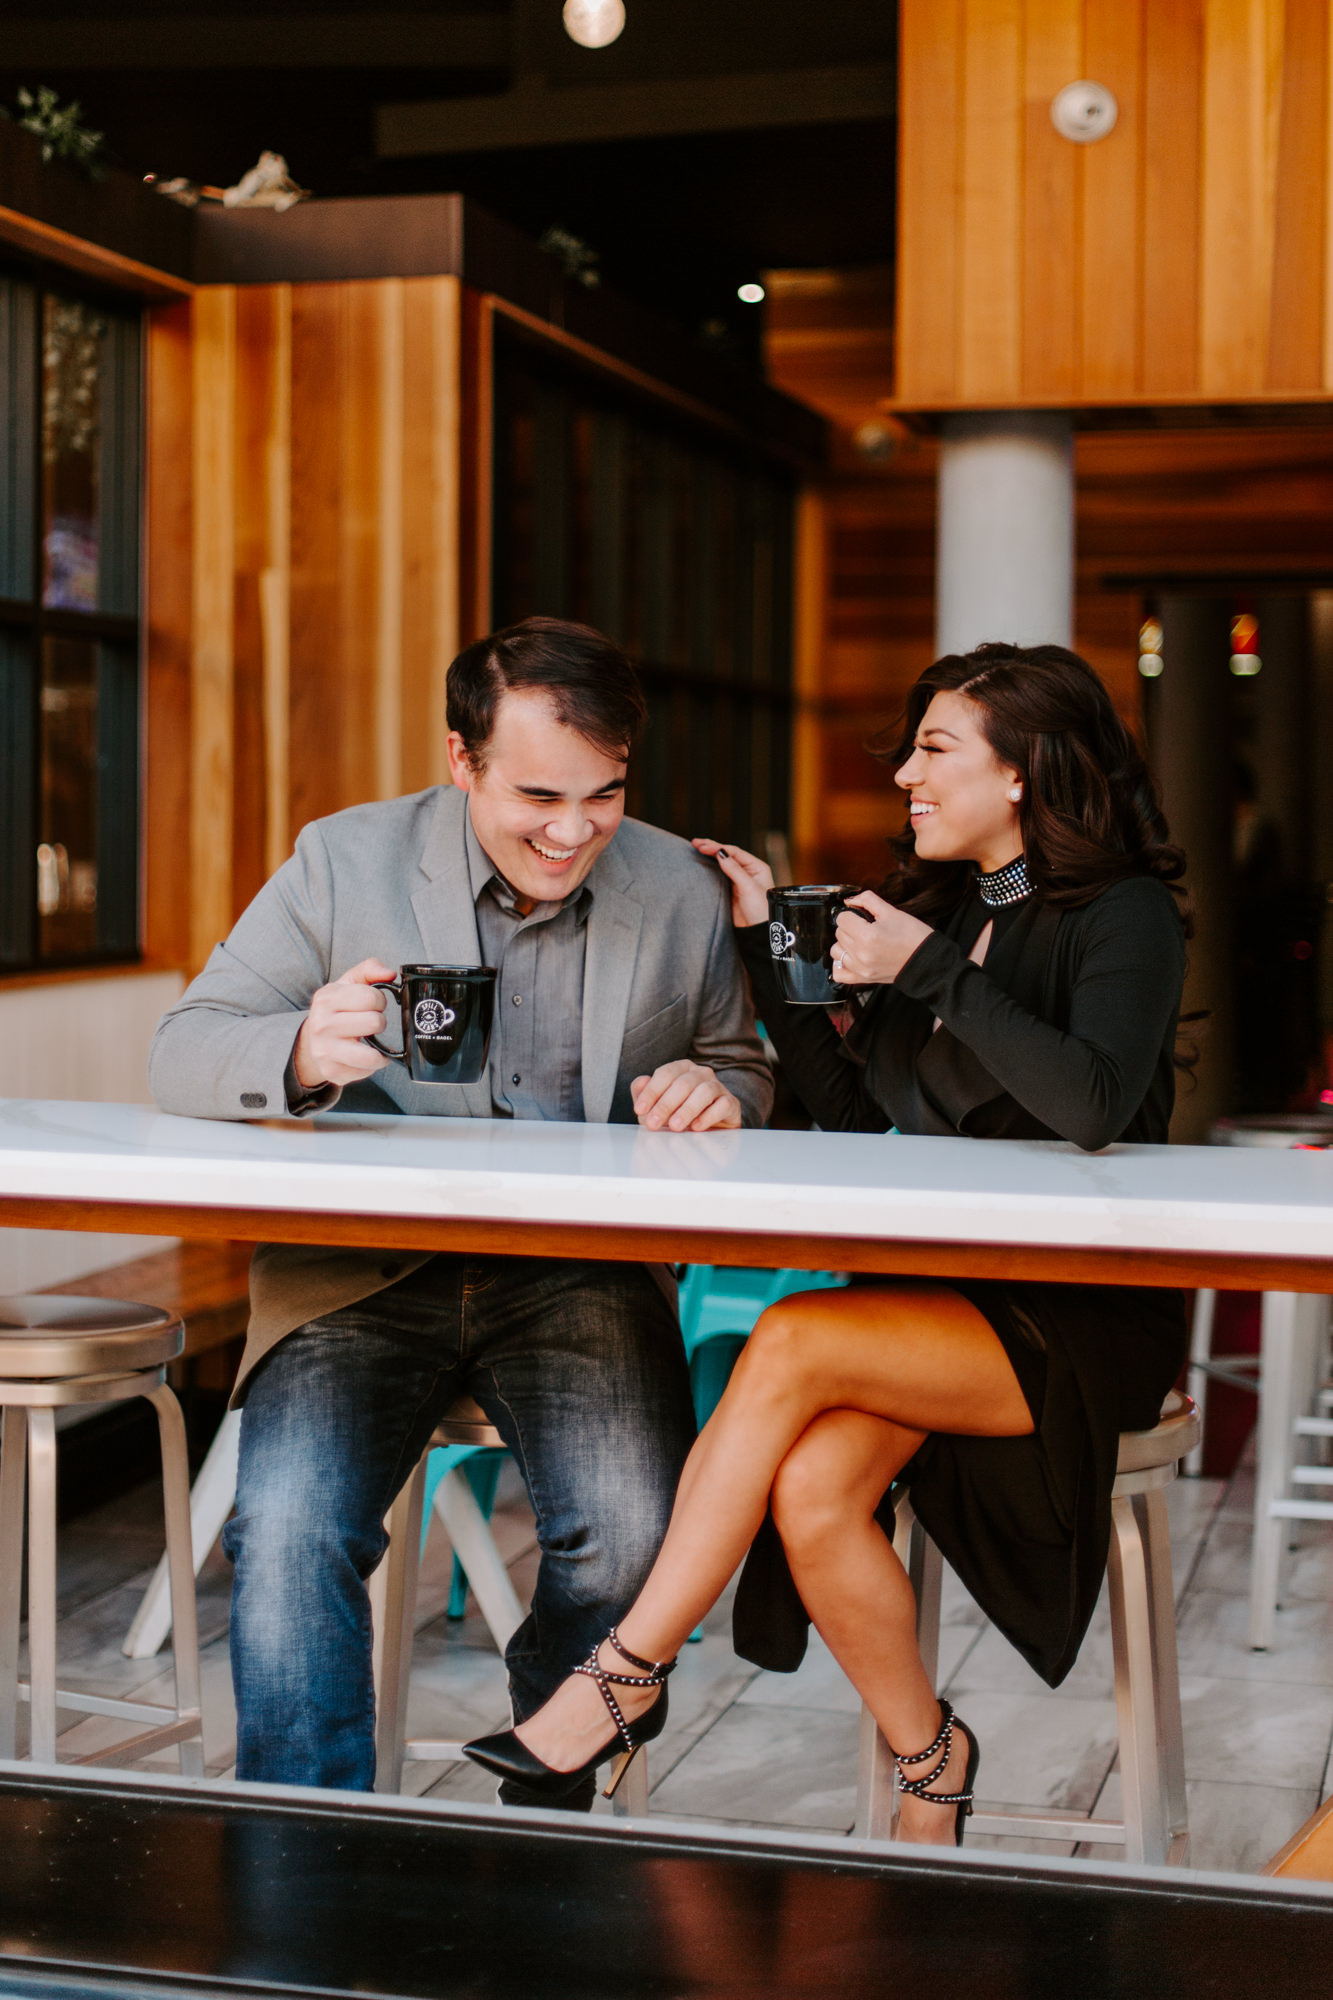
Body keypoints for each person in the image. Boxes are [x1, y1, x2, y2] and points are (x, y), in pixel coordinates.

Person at [465, 641, 1191, 1845]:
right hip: (933, 1302)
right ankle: (931, 1761)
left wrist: (933, 973)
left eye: (935, 748)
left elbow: (1094, 1102)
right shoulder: (944, 911)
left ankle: (623, 1672)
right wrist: (763, 947)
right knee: (808, 1487)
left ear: (1023, 774)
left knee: (795, 1332)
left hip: (1077, 1315)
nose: (905, 772)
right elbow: (861, 1122)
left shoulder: (1118, 917)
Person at [149, 616, 772, 1803]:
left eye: (604, 794)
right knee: (285, 1535)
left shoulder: (678, 888)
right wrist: (296, 1046)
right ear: (461, 759)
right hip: (362, 1275)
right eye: (539, 791)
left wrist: (718, 1089)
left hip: (579, 1272)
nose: (575, 829)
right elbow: (183, 1046)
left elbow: (741, 1062)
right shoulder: (343, 859)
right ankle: (310, 1859)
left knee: (639, 1537)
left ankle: (542, 1810)